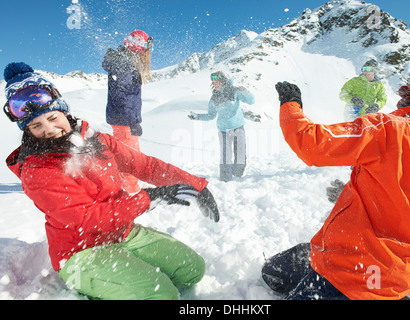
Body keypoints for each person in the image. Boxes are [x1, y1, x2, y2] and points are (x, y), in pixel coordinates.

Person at [3, 62, 220, 300]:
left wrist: (197, 185)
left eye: (53, 117)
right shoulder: (37, 170)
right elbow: (86, 219)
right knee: (161, 294)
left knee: (192, 270)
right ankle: (90, 284)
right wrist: (150, 198)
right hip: (81, 252)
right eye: (36, 125)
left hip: (122, 234)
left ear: (63, 111)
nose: (50, 129)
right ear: (28, 130)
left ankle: (124, 271)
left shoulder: (97, 141)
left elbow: (145, 165)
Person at [262, 81, 410, 300]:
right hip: (392, 271)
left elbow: (311, 143)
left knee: (275, 276)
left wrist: (290, 104)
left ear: (404, 109)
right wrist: (355, 191)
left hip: (352, 271)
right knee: (273, 271)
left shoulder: (390, 127)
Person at [102, 30, 153, 194]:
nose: (146, 53)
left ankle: (129, 184)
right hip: (124, 120)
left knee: (128, 154)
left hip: (122, 118)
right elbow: (122, 96)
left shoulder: (122, 61)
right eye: (145, 48)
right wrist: (132, 121)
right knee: (130, 157)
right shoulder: (123, 64)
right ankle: (130, 190)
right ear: (138, 47)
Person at [188, 71, 255, 182]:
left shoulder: (234, 91)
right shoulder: (214, 98)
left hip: (238, 127)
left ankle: (238, 177)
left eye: (217, 82)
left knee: (241, 155)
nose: (215, 84)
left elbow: (251, 101)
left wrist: (246, 92)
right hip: (223, 130)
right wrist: (197, 117)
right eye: (213, 82)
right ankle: (225, 180)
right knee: (225, 156)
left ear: (223, 82)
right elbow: (211, 115)